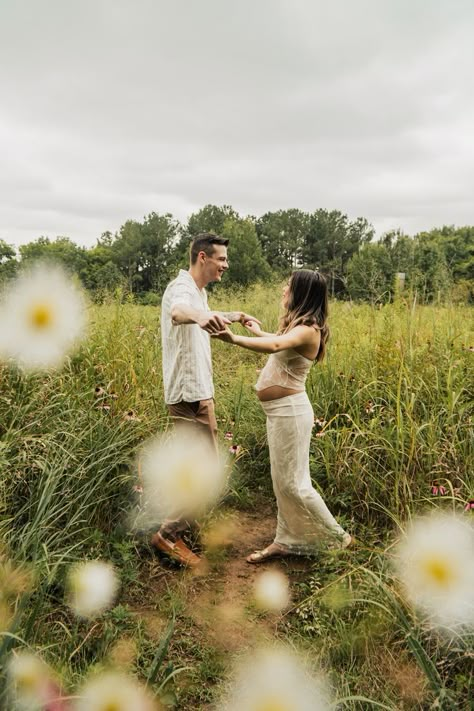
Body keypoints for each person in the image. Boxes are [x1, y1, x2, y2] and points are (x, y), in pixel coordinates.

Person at [215, 269, 352, 562]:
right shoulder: (299, 328)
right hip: (280, 413)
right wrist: (255, 331)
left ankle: (339, 538)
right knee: (282, 482)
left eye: (288, 286)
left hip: (291, 413)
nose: (283, 290)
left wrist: (235, 339)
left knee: (296, 484)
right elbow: (277, 341)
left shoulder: (309, 329)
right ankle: (286, 540)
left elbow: (277, 345)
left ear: (301, 293)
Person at [151, 232, 260, 566]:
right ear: (202, 257)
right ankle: (168, 535)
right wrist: (198, 316)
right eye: (221, 259)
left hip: (197, 393)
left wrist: (235, 315)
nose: (225, 265)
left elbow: (205, 315)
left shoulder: (198, 292)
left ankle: (187, 527)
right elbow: (180, 312)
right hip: (189, 397)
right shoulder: (181, 290)